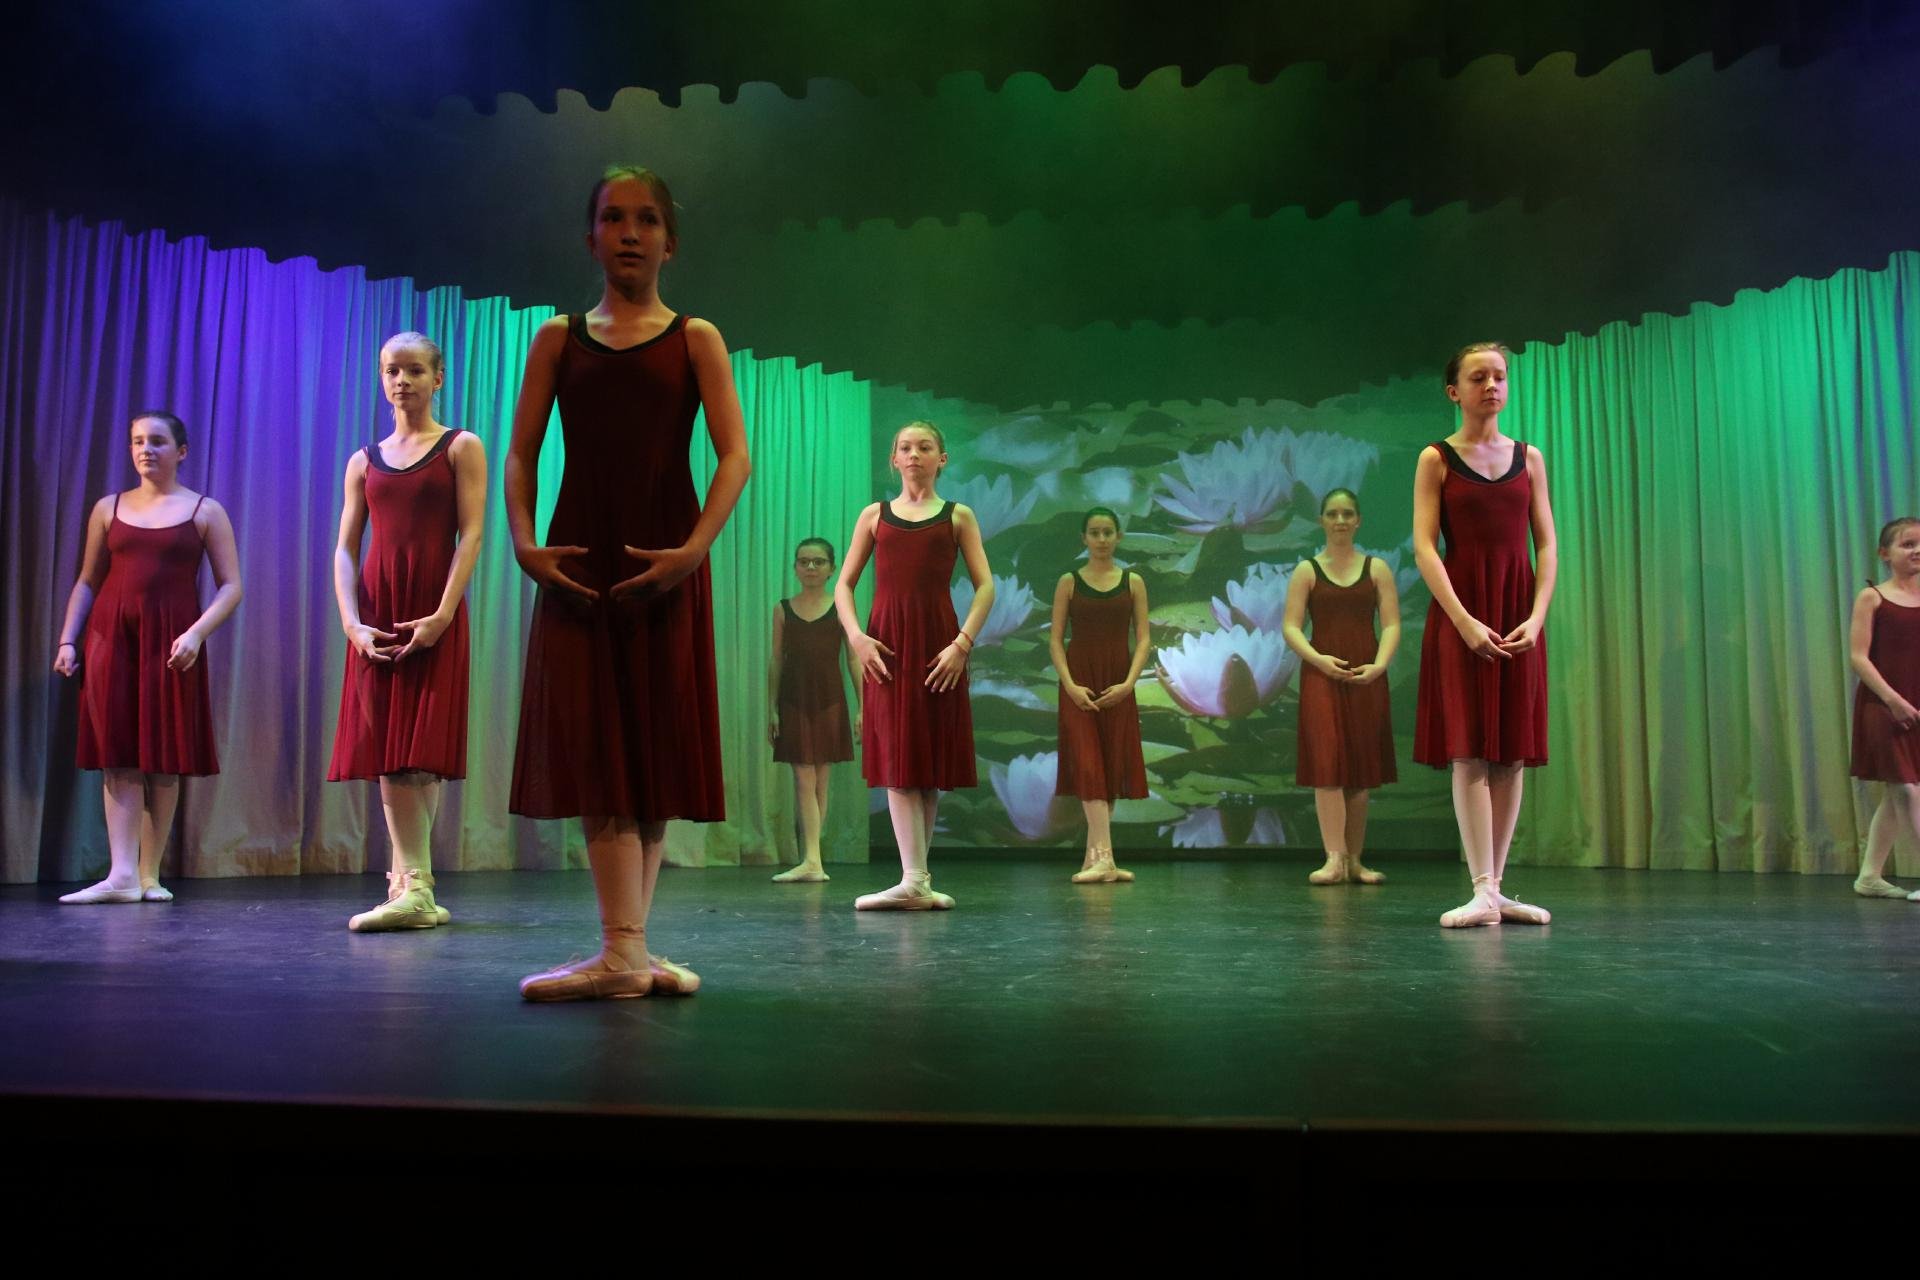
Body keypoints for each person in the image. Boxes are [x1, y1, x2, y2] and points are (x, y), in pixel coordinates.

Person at [508, 165, 750, 999]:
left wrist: (693, 551)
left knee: (648, 746)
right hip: (582, 558)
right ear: (592, 238)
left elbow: (734, 457)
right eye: (615, 218)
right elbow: (521, 454)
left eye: (647, 219)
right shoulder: (558, 337)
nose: (631, 233)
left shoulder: (695, 338)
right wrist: (525, 543)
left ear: (669, 242)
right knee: (599, 744)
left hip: (663, 558)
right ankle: (627, 952)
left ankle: (626, 953)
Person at [327, 332, 486, 931]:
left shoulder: (460, 446)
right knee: (392, 751)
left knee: (421, 751)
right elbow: (346, 547)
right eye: (392, 370)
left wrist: (443, 615)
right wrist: (350, 621)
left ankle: (413, 886)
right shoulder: (363, 460)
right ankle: (411, 885)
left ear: (437, 377)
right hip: (378, 612)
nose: (402, 380)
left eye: (415, 370)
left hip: (431, 607)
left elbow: (471, 533)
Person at [53, 410, 242, 903]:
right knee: (117, 755)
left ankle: (148, 876)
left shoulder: (205, 511)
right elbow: (87, 581)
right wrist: (68, 640)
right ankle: (120, 875)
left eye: (156, 441)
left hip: (171, 642)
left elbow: (232, 586)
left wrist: (196, 634)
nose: (145, 449)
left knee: (163, 758)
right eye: (138, 441)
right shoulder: (108, 508)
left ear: (181, 451)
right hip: (111, 637)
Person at [1411, 343, 1557, 928]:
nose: (1491, 385)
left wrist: (1538, 616)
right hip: (1462, 610)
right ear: (1455, 391)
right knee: (1469, 747)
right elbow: (1425, 547)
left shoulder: (1529, 457)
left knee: (1511, 750)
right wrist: (1463, 620)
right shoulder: (1436, 458)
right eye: (1478, 378)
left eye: (1499, 376)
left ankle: (1496, 889)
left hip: (1517, 609)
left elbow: (1546, 543)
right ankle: (1480, 888)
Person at [835, 422, 993, 910]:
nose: (914, 454)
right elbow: (844, 585)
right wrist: (857, 639)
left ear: (941, 458)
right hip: (887, 647)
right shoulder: (874, 516)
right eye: (905, 447)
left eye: (925, 447)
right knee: (900, 763)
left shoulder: (957, 516)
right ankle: (915, 879)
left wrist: (962, 645)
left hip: (937, 646)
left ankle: (917, 880)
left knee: (925, 763)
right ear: (894, 458)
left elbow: (986, 586)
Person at [1282, 487, 1400, 885]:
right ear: (1322, 520)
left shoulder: (1376, 569)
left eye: (1347, 513)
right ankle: (1333, 859)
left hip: (1365, 676)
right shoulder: (1307, 571)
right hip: (1321, 676)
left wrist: (1379, 665)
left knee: (1361, 771)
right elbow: (1291, 627)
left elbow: (1392, 624)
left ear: (1358, 520)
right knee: (1327, 767)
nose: (1340, 520)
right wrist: (1319, 660)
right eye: (1332, 514)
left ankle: (1355, 861)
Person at [1048, 507, 1148, 884]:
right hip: (1079, 684)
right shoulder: (1069, 582)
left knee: (1110, 766)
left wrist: (1128, 684)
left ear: (1118, 537)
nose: (1102, 539)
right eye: (1095, 532)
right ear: (1084, 538)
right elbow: (1055, 640)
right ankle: (1106, 859)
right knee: (1089, 766)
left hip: (1118, 683)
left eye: (1108, 532)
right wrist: (1070, 685)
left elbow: (1144, 640)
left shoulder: (1133, 582)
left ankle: (1094, 860)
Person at [769, 536, 860, 883]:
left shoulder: (841, 608)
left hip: (829, 700)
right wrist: (771, 708)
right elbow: (776, 661)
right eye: (804, 561)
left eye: (818, 562)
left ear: (831, 569)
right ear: (795, 567)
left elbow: (854, 659)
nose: (810, 567)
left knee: (821, 779)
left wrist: (864, 707)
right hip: (793, 700)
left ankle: (812, 860)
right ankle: (812, 860)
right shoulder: (782, 610)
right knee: (803, 777)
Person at [1848, 516, 1920, 901]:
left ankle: (1869, 876)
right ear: (1884, 554)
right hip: (1885, 705)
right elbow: (1858, 657)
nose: (1917, 551)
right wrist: (1893, 700)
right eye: (1908, 544)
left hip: (1916, 705)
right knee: (1906, 790)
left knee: (1897, 795)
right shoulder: (1872, 597)